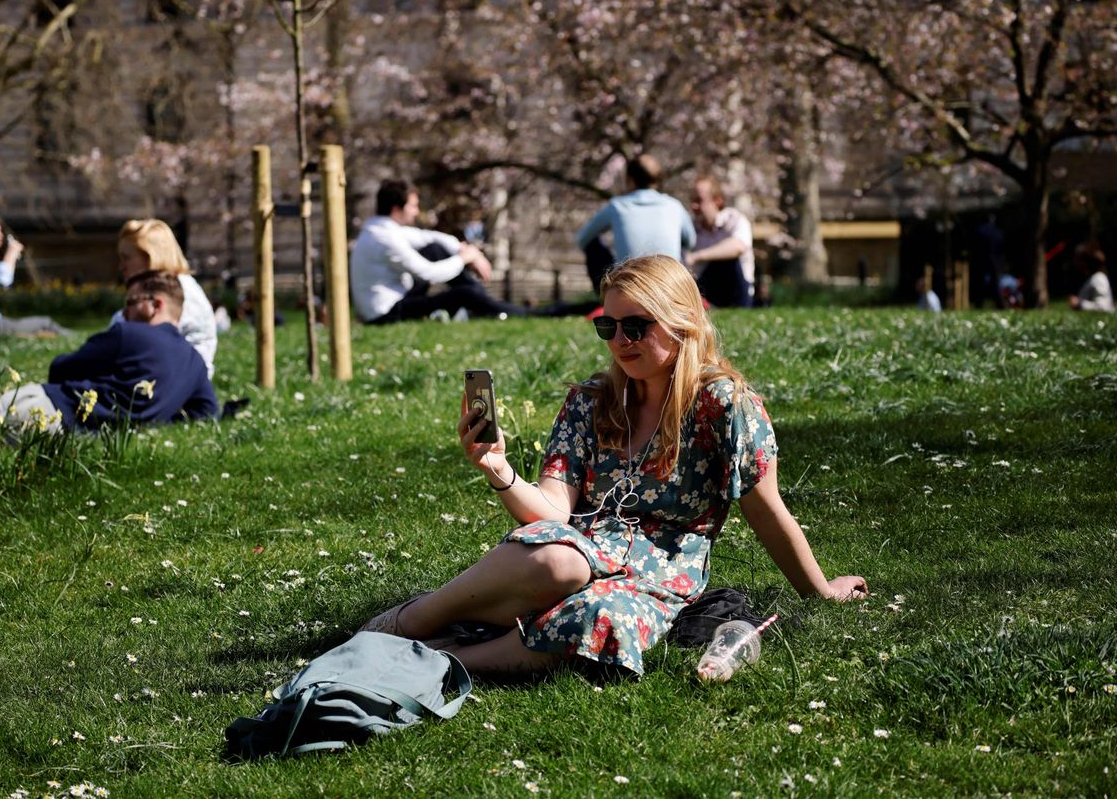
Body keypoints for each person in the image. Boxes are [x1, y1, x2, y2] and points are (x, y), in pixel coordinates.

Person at [360, 255, 867, 676]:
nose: (620, 339)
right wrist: (499, 470)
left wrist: (821, 591)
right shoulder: (592, 401)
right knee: (558, 560)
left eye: (636, 326)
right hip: (573, 549)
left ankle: (441, 661)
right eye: (609, 325)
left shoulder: (723, 406)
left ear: (682, 323)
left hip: (660, 575)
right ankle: (412, 621)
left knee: (603, 620)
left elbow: (767, 511)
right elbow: (552, 511)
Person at [0, 271, 217, 434]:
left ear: (155, 305)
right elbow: (207, 411)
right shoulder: (195, 362)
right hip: (84, 435)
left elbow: (60, 370)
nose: (124, 311)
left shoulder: (128, 333)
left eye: (131, 302)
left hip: (50, 409)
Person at [351, 180, 530, 323]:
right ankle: (509, 311)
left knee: (434, 249)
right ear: (397, 209)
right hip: (385, 314)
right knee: (465, 294)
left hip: (394, 302)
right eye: (413, 206)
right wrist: (463, 258)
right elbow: (428, 273)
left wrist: (469, 251)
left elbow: (429, 237)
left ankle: (488, 305)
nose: (416, 212)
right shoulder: (385, 239)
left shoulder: (381, 230)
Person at [111, 219, 218, 378]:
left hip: (180, 379)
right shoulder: (162, 286)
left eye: (126, 258)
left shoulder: (177, 292)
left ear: (150, 257)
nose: (121, 266)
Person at [574, 155, 696, 294]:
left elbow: (582, 239)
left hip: (628, 288)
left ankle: (606, 296)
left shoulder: (617, 206)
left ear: (629, 180)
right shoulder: (674, 206)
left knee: (593, 245)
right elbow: (691, 242)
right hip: (669, 286)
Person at [687, 177, 756, 308]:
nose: (693, 206)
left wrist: (696, 256)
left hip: (737, 290)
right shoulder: (691, 227)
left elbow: (738, 247)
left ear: (717, 201)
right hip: (705, 287)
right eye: (692, 201)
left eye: (699, 200)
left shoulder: (735, 219)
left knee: (728, 260)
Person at [1070, 242, 1114, 313]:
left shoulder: (1099, 278)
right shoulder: (1093, 278)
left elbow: (1104, 307)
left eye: (1077, 259)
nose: (1075, 262)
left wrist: (1080, 304)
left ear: (1085, 261)